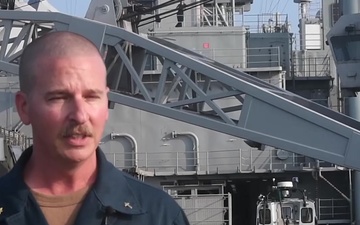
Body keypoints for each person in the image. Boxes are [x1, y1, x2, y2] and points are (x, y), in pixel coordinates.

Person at [0, 31, 190, 225]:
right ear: (24, 108)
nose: (80, 116)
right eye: (59, 97)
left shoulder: (160, 216)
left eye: (91, 97)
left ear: (106, 103)